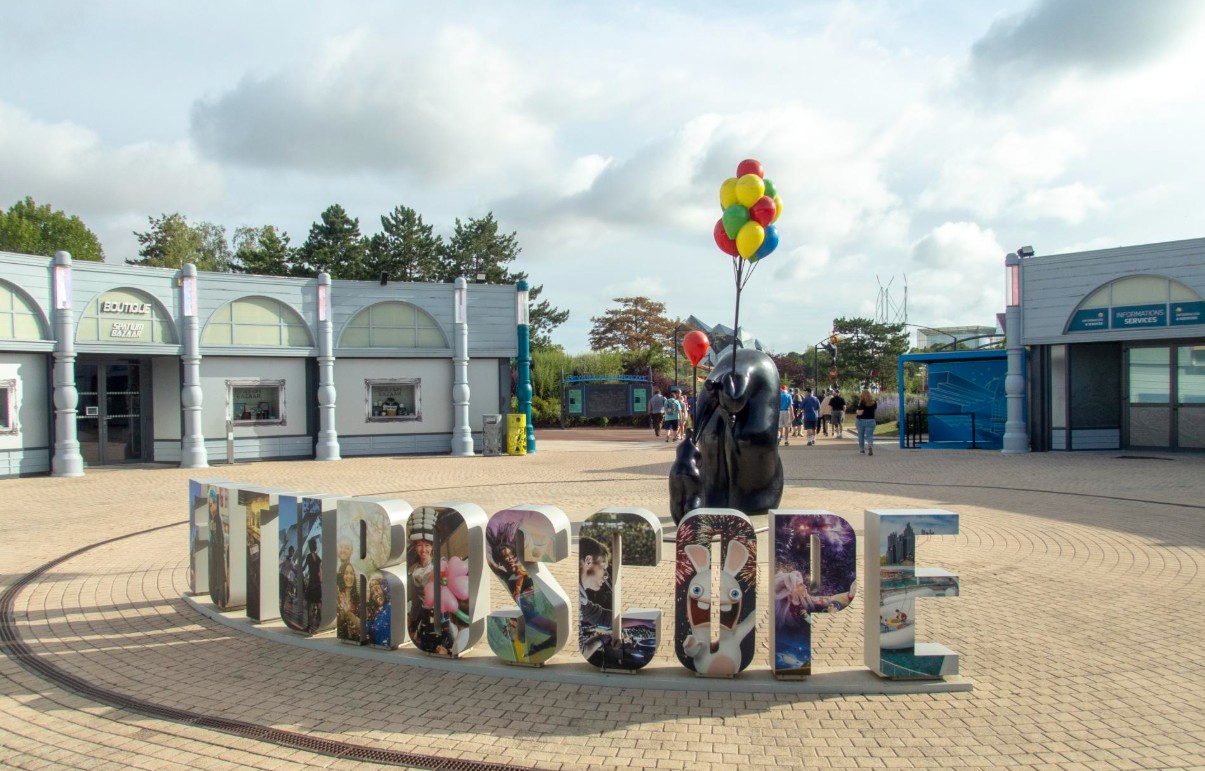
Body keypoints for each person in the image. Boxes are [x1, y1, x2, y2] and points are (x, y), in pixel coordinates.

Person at [303, 536, 323, 633]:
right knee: (318, 603)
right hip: (318, 583)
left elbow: (303, 569)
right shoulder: (318, 558)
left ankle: (309, 626)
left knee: (309, 605)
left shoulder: (308, 557)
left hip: (311, 582)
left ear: (310, 546)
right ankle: (320, 621)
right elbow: (320, 573)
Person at [856, 388, 878, 455]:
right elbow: (874, 411)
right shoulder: (874, 402)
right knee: (870, 435)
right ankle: (870, 446)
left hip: (861, 420)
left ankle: (862, 449)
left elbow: (860, 412)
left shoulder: (862, 403)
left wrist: (856, 412)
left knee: (861, 435)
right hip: (871, 420)